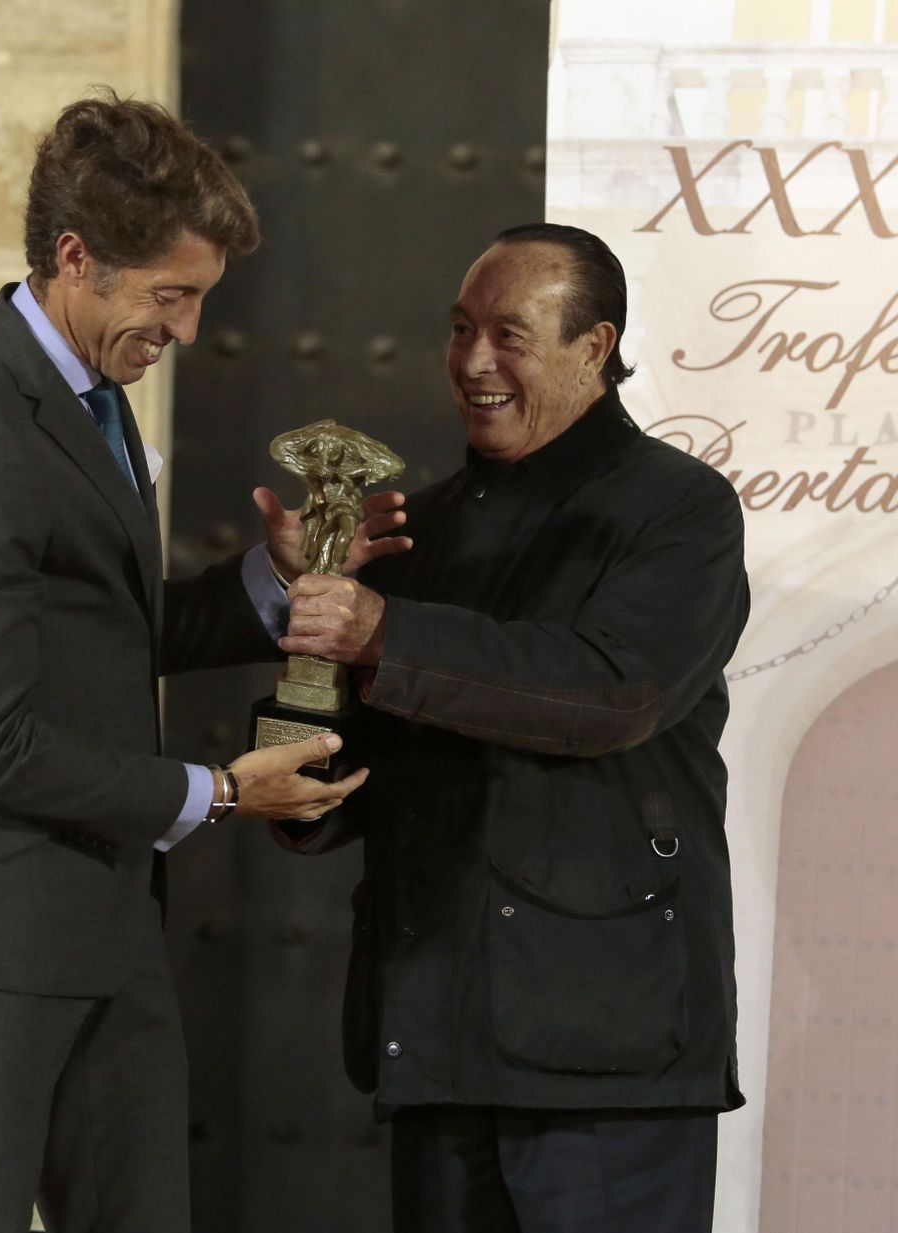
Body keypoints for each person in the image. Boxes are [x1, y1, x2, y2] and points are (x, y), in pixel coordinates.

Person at [0, 91, 402, 1233]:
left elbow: (103, 627)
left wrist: (270, 581)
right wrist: (213, 794)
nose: (189, 331)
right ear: (75, 260)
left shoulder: (81, 396)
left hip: (102, 938)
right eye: (172, 297)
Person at [278, 222, 750, 1233]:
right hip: (438, 1038)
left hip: (606, 1059)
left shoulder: (680, 510)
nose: (474, 362)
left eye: (508, 334)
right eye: (458, 330)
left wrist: (382, 631)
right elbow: (363, 758)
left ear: (594, 345)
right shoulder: (417, 529)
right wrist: (299, 733)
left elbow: (610, 695)